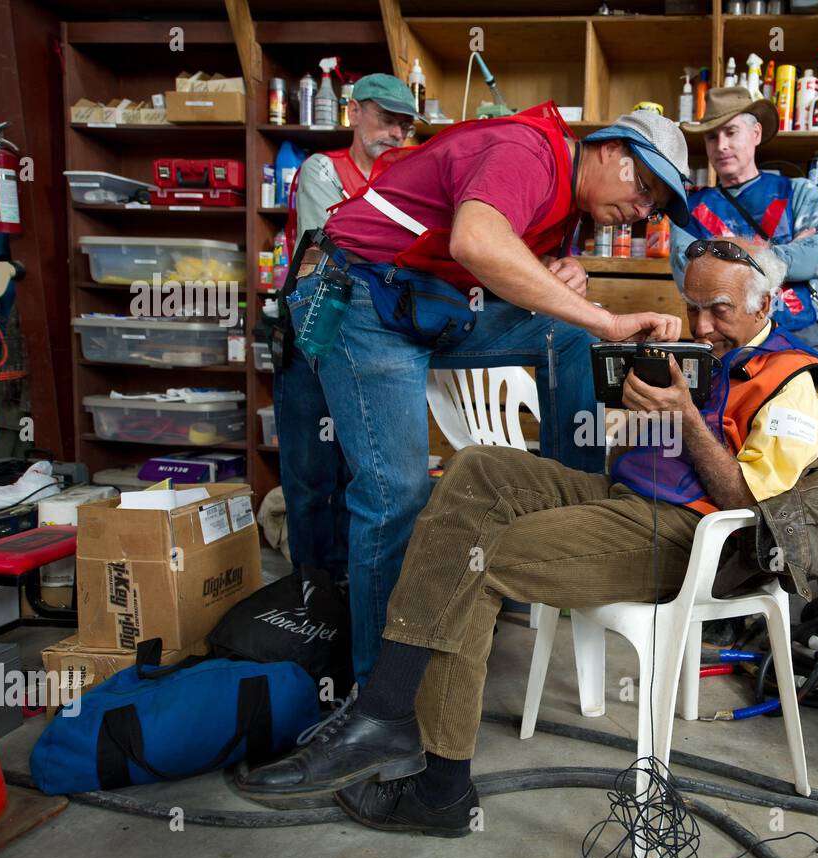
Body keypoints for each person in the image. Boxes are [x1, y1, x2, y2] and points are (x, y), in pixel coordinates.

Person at [237, 239, 818, 836]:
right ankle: (390, 713)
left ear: (765, 304)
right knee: (476, 467)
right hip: (628, 500)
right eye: (695, 307)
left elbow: (755, 503)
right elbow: (644, 457)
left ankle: (434, 780)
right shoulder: (707, 358)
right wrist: (636, 410)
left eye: (720, 310)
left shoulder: (798, 382)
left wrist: (684, 420)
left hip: (696, 539)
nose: (702, 326)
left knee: (473, 564)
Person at [287, 106, 692, 685]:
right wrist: (603, 319)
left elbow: (500, 254)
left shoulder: (567, 204)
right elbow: (476, 240)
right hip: (357, 296)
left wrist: (560, 272)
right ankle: (379, 704)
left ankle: (564, 517)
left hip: (424, 304)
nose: (643, 207)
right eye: (644, 186)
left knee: (568, 332)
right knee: (394, 495)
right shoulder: (528, 151)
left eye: (654, 204)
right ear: (607, 150)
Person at [269, 74, 419, 585]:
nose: (396, 133)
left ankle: (356, 588)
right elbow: (333, 251)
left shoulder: (407, 181)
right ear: (353, 112)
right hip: (314, 339)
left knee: (367, 475)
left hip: (372, 341)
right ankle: (313, 589)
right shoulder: (321, 171)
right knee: (311, 475)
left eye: (404, 124)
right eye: (385, 119)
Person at [670, 86, 818, 358]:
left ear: (756, 134)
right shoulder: (689, 207)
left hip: (797, 337)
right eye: (712, 137)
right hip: (726, 343)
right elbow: (688, 275)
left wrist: (722, 261)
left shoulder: (799, 192)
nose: (721, 145)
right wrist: (786, 255)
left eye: (731, 132)